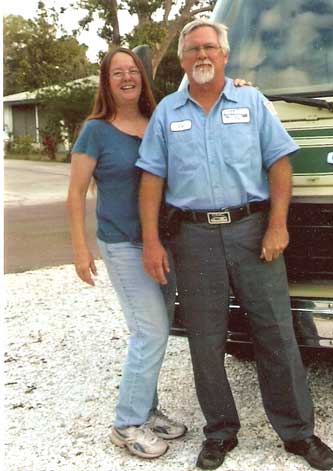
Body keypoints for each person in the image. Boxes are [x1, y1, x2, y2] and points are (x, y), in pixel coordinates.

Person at [136, 19, 333, 471]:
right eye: (192, 50)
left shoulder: (253, 102)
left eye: (210, 47)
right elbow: (151, 178)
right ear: (183, 59)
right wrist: (151, 240)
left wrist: (278, 226)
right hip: (193, 238)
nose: (201, 55)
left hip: (253, 232)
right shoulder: (168, 113)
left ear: (225, 55)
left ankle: (298, 434)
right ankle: (220, 433)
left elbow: (280, 164)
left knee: (276, 335)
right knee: (206, 342)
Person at [66, 47, 187, 459]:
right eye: (117, 73)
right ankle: (126, 424)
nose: (126, 78)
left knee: (157, 331)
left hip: (163, 243)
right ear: (107, 82)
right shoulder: (95, 130)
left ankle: (147, 411)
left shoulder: (159, 121)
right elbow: (75, 194)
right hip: (121, 244)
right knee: (150, 330)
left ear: (142, 77)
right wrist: (81, 250)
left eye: (132, 70)